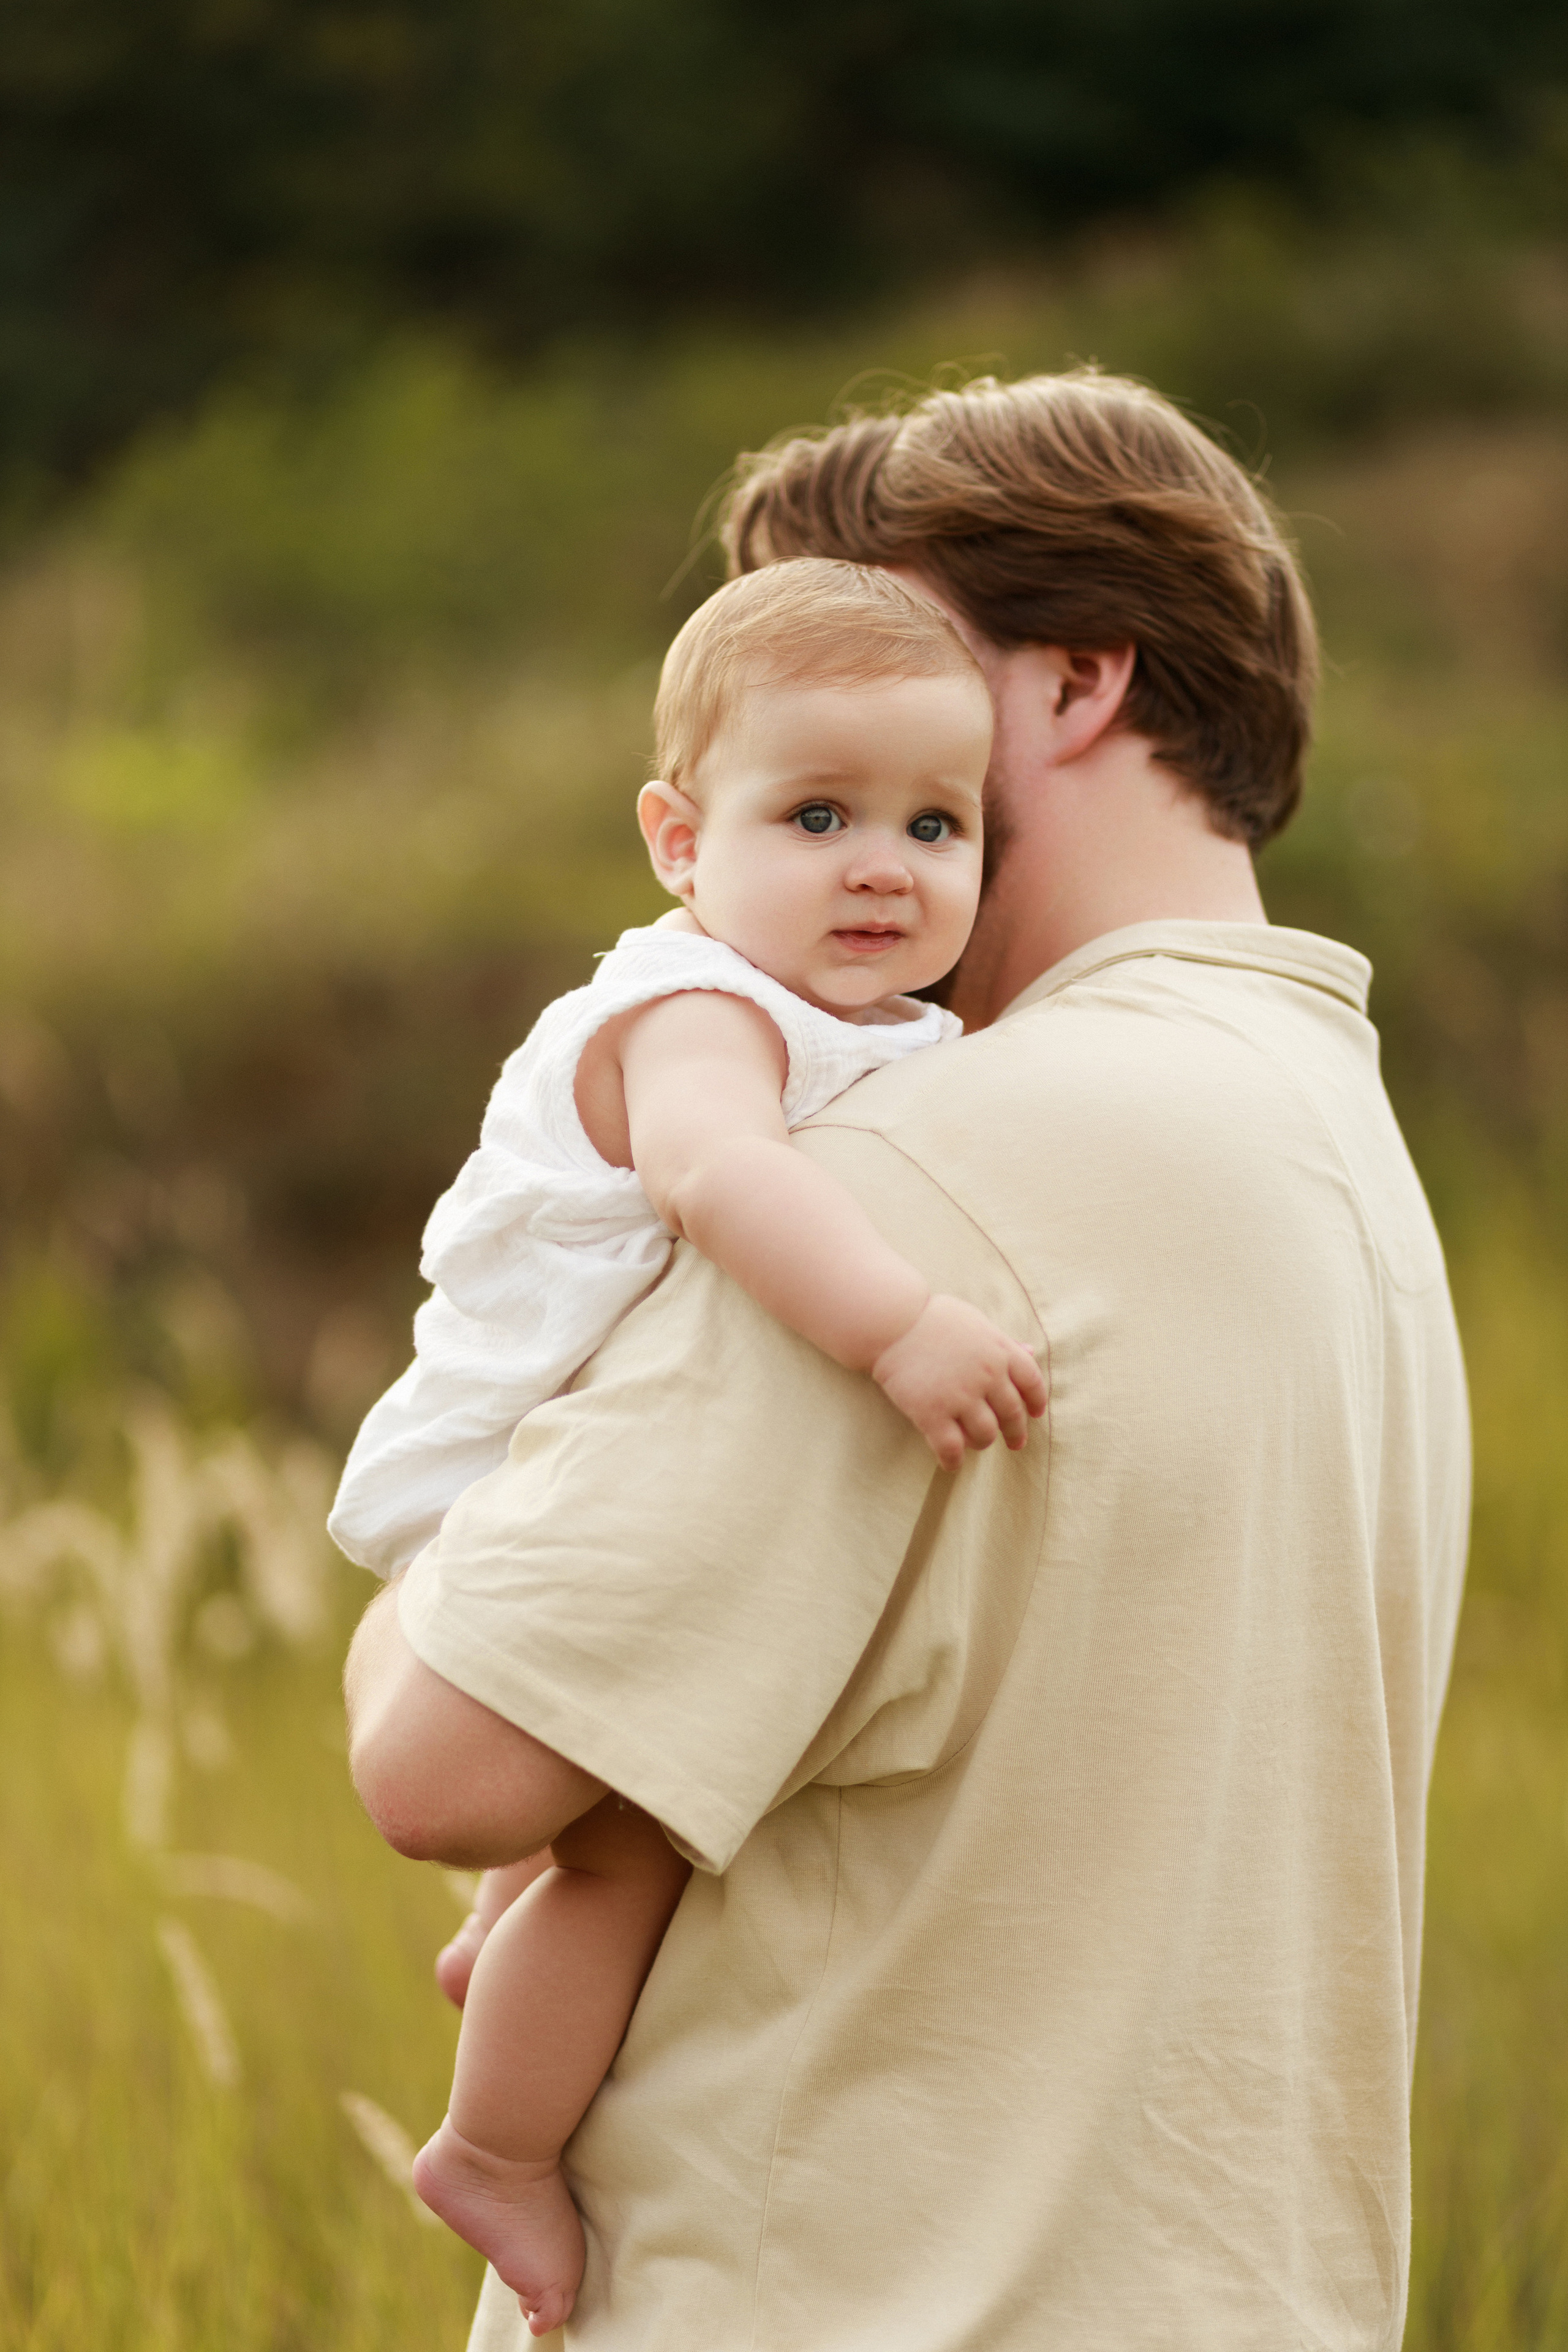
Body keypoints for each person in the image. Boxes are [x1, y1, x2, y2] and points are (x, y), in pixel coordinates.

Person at [345, 367, 1470, 2352]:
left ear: (1075, 686)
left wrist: (427, 1560)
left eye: (894, 684)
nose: (846, 784)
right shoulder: (1340, 1151)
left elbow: (440, 1757)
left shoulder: (907, 1174)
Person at [330, 559, 1046, 2332]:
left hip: (595, 1469)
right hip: (508, 1465)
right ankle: (494, 2149)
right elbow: (720, 1178)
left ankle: (506, 1947)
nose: (884, 863)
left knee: (617, 1812)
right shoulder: (701, 1017)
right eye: (817, 814)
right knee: (636, 1838)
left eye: (936, 824)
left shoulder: (871, 1020)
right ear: (677, 840)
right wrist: (898, 1325)